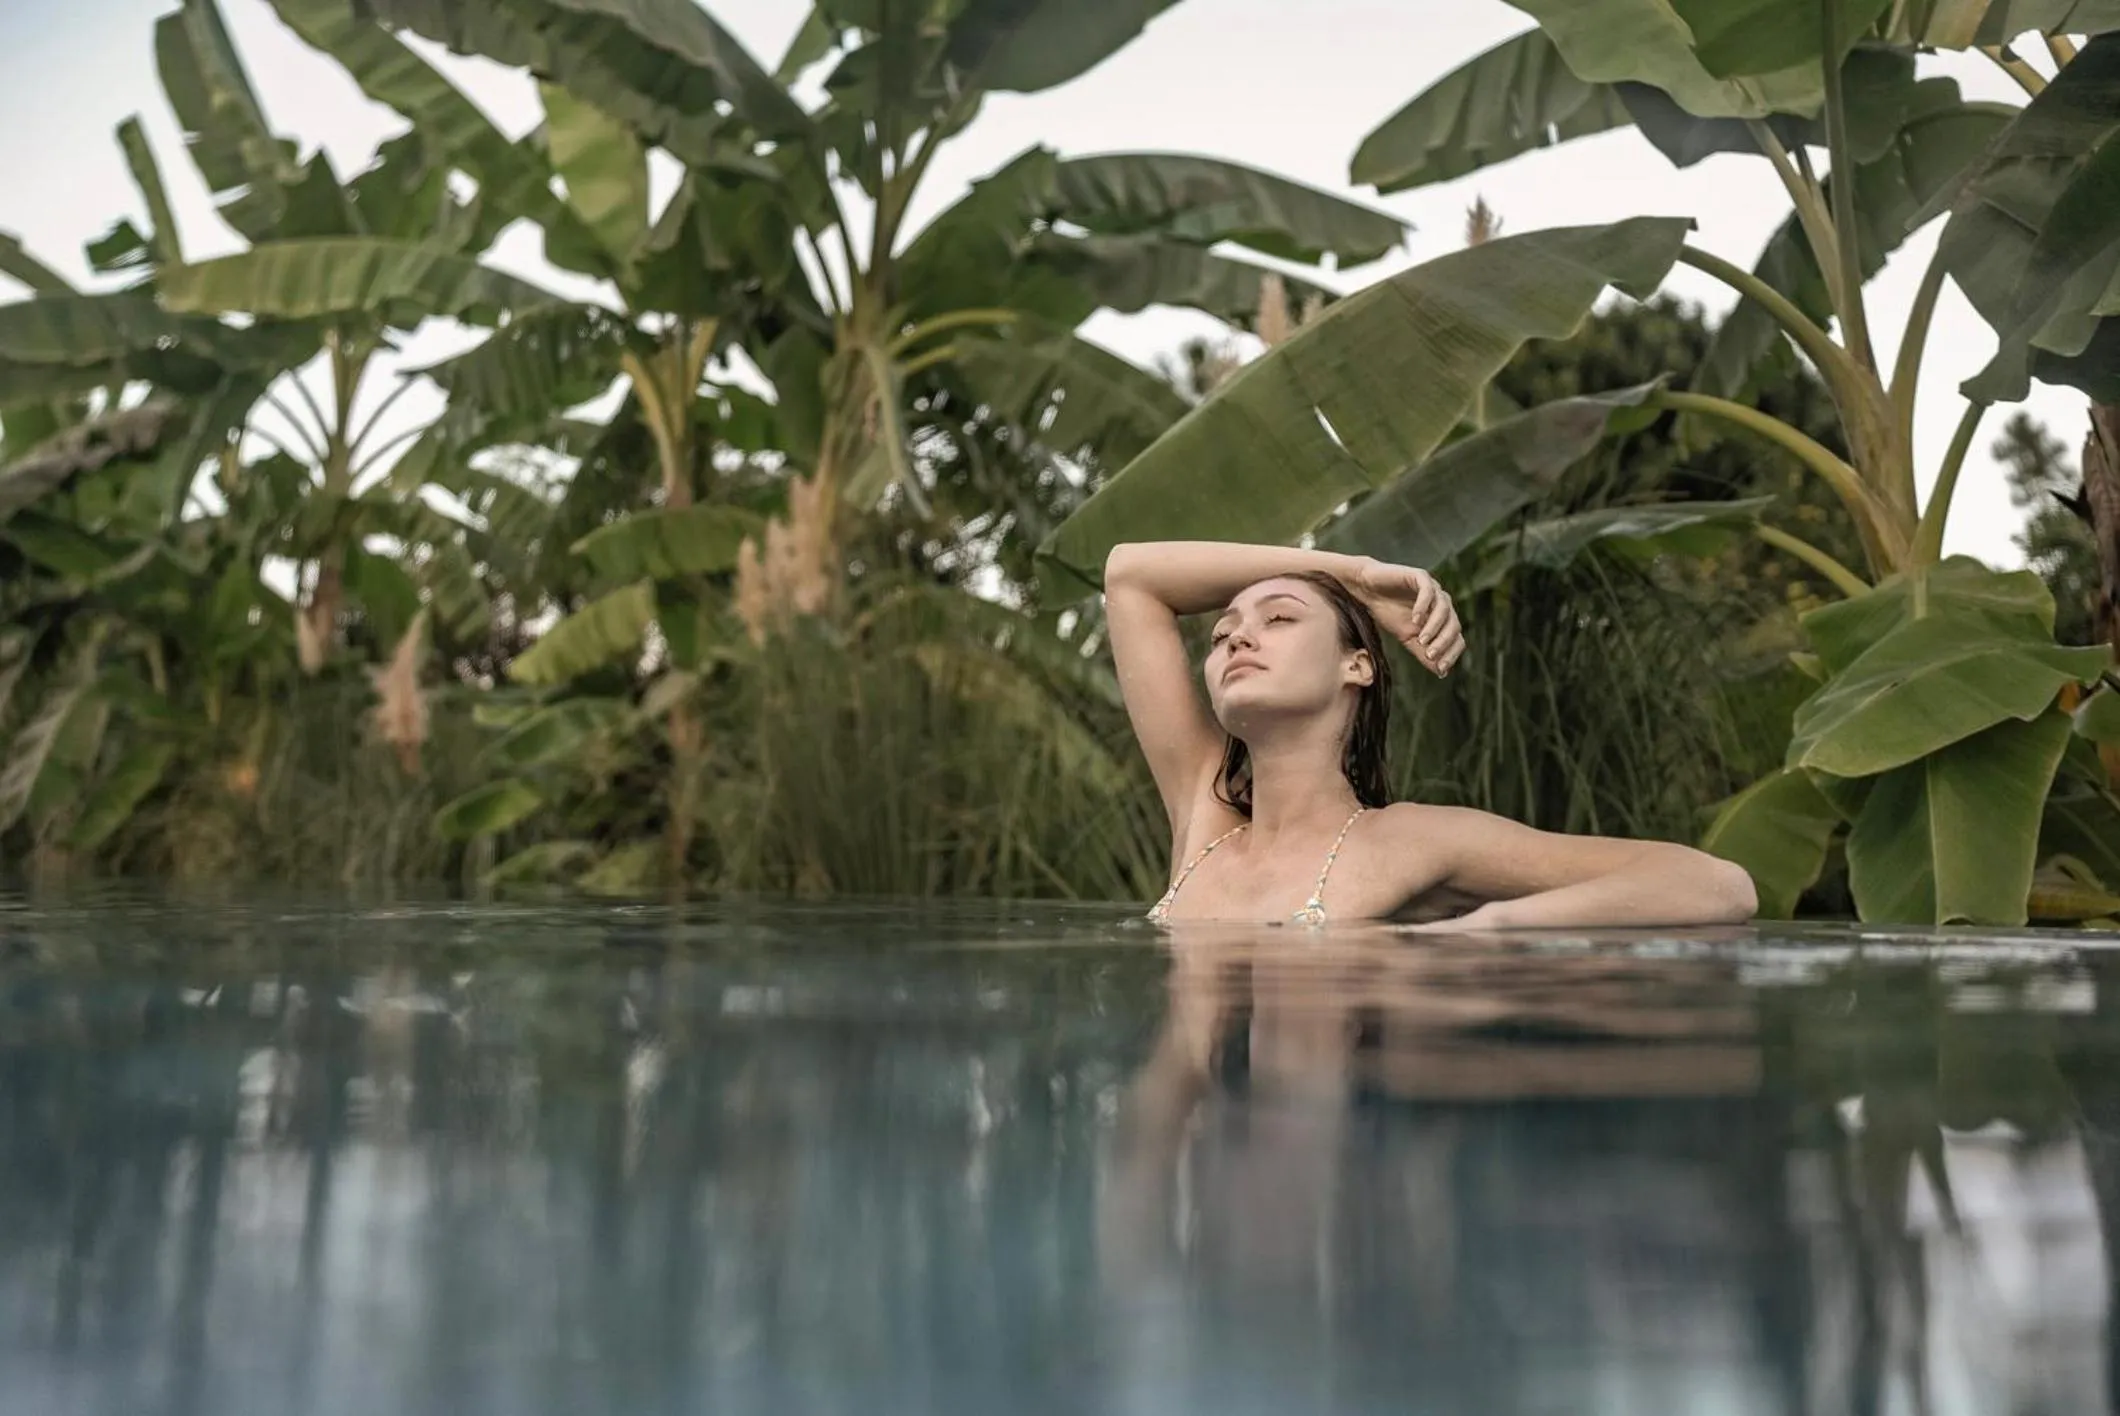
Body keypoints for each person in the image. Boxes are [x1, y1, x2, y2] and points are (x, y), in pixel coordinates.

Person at [1103, 540, 1758, 928]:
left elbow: (1716, 884)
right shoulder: (1205, 825)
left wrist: (1493, 926)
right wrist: (1354, 574)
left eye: (1279, 619)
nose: (1238, 637)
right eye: (1222, 634)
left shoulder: (1411, 841)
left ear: (1357, 666)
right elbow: (1131, 575)